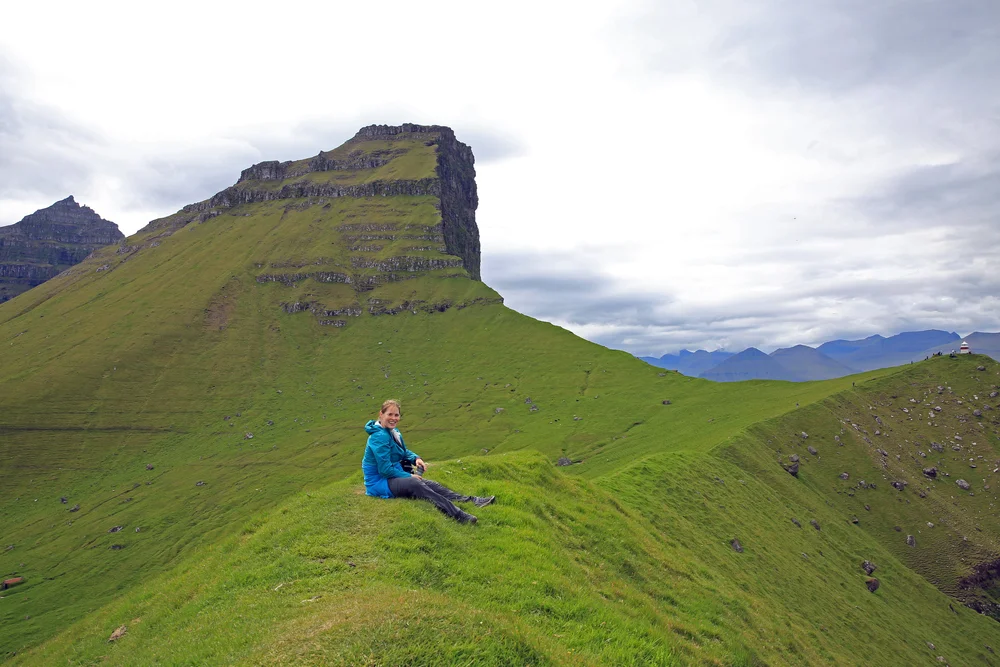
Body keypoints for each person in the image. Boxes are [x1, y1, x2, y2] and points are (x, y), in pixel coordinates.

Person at [362, 399, 494, 524]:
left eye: (396, 415)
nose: (394, 418)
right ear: (381, 414)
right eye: (390, 414)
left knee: (432, 485)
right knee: (415, 483)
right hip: (380, 482)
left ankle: (472, 500)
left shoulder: (392, 431)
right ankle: (458, 515)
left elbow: (402, 451)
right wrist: (409, 476)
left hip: (392, 475)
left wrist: (416, 458)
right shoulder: (379, 437)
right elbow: (385, 470)